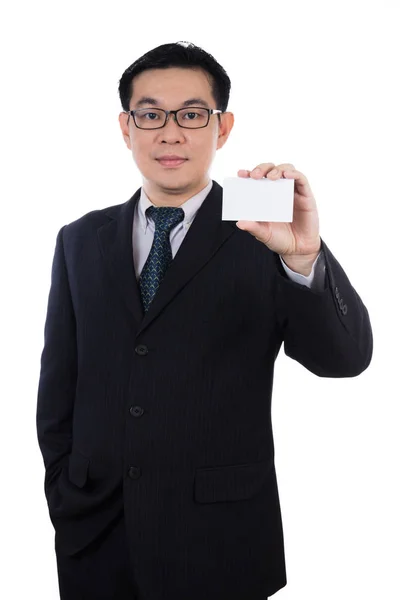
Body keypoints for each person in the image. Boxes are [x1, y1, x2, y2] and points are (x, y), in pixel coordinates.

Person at [36, 40, 373, 600]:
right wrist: (63, 495)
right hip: (96, 540)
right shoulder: (80, 239)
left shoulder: (265, 225)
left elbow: (344, 360)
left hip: (221, 543)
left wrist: (303, 256)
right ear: (127, 127)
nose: (171, 133)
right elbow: (58, 390)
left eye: (192, 114)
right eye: (151, 114)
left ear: (223, 127)